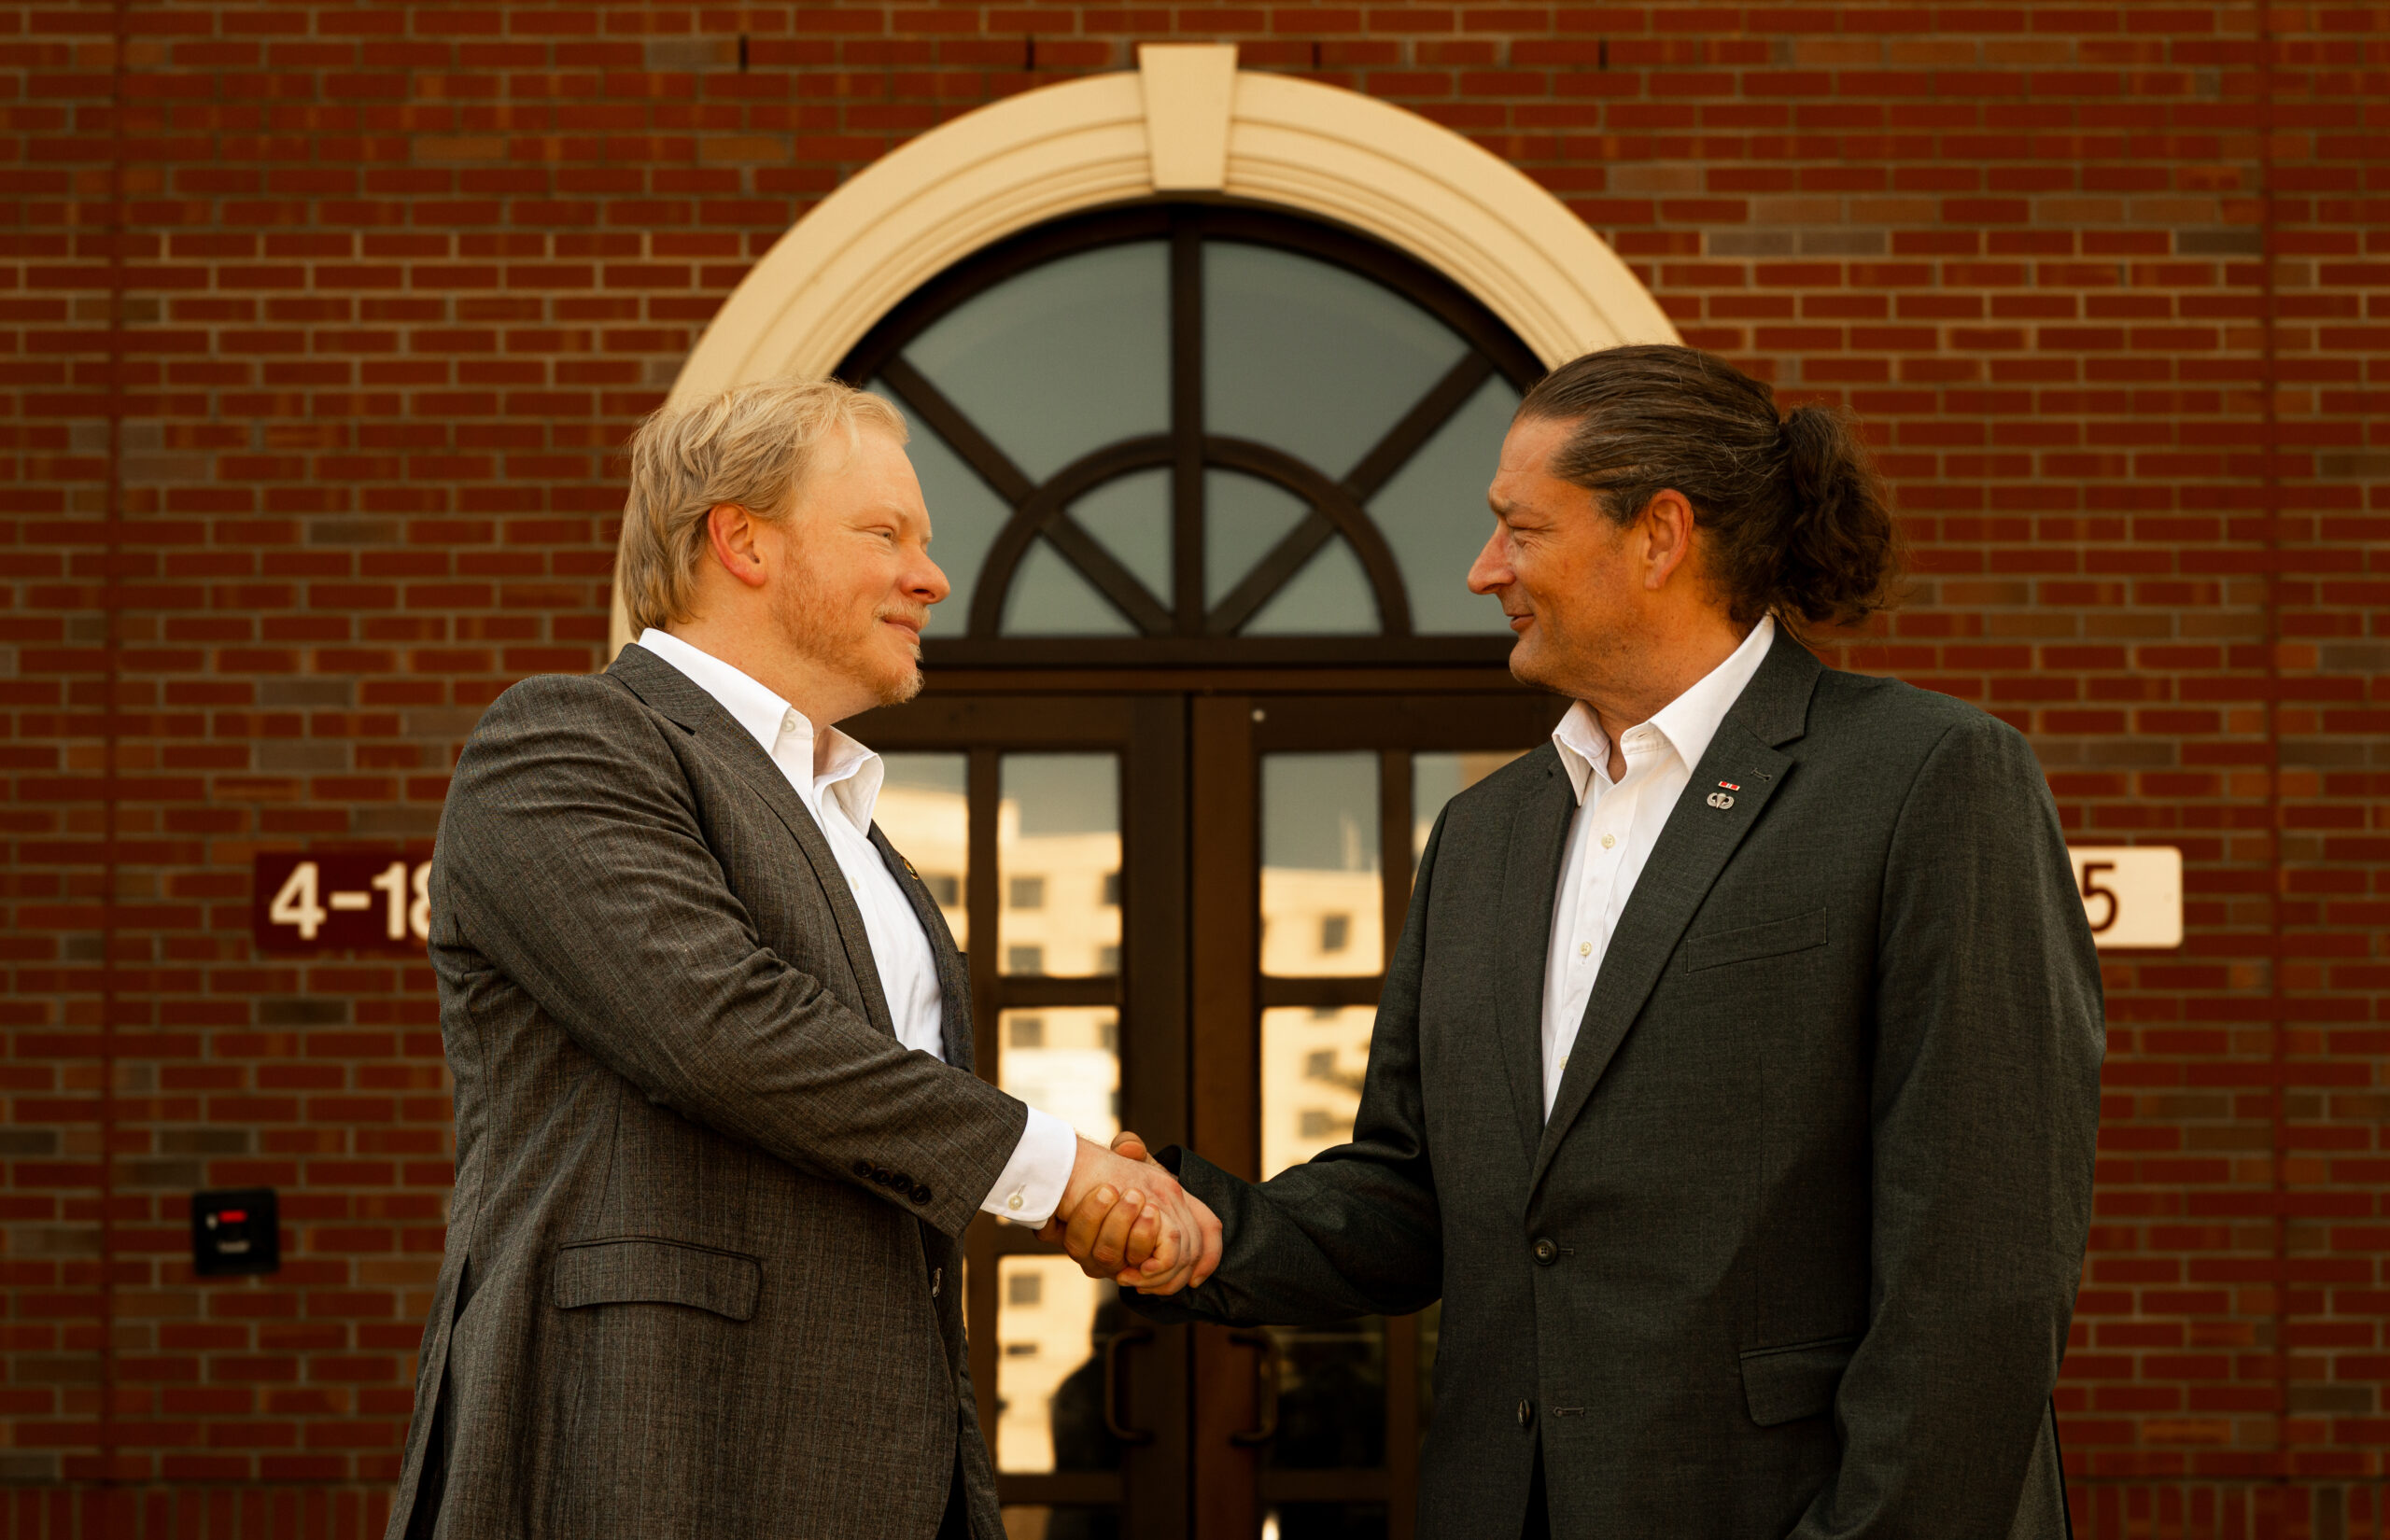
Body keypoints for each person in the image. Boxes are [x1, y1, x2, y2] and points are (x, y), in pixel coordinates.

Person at [1064, 344, 2104, 1537]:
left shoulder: (1929, 779)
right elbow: (1412, 1192)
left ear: (1658, 536)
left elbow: (1979, 1267)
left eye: (1521, 529)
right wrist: (1201, 1231)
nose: (1481, 569)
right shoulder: (1482, 833)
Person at [385, 378, 1218, 1540]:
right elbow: (720, 1032)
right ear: (742, 540)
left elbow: (875, 1135)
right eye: (886, 534)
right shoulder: (567, 739)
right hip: (644, 1452)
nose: (930, 578)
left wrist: (1073, 1189)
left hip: (885, 1464)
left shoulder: (854, 828)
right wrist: (1062, 1173)